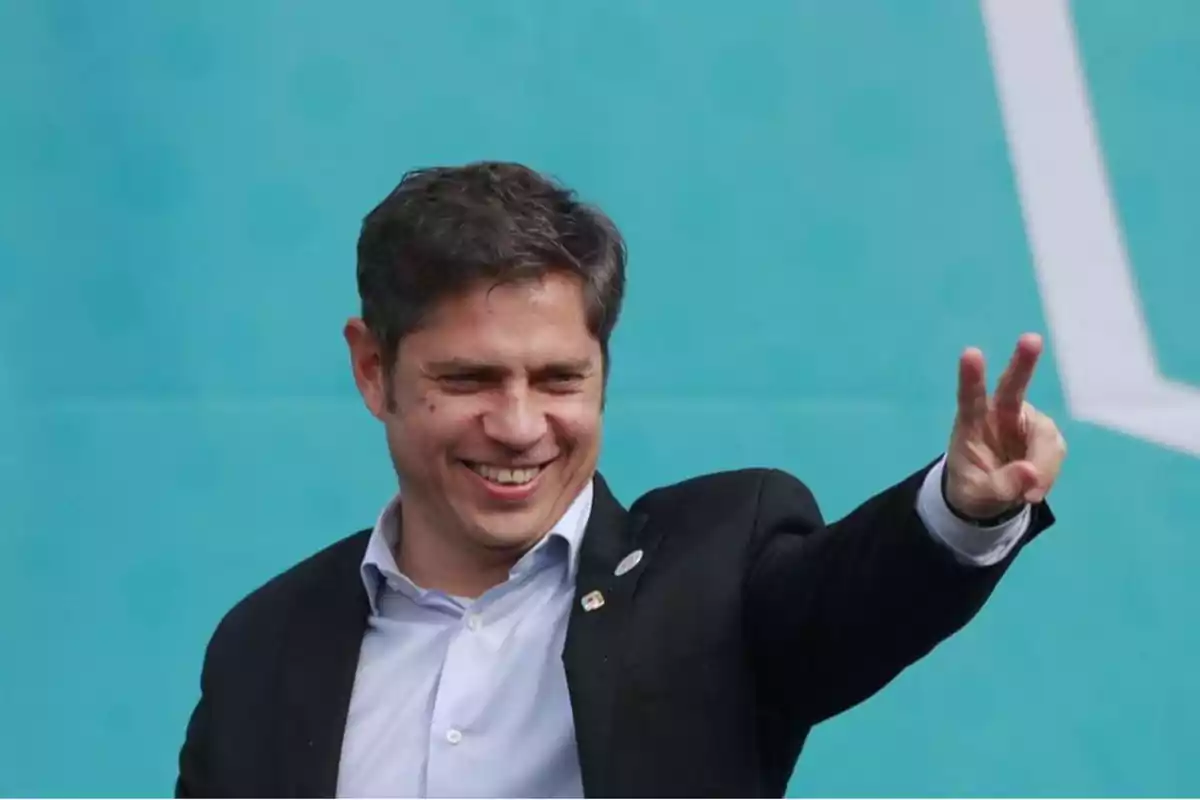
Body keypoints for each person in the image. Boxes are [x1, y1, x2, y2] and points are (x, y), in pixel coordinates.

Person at [175, 161, 1065, 798]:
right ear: (373, 369)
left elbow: (854, 601)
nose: (520, 427)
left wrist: (962, 507)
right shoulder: (264, 646)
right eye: (470, 380)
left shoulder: (712, 570)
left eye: (560, 379)